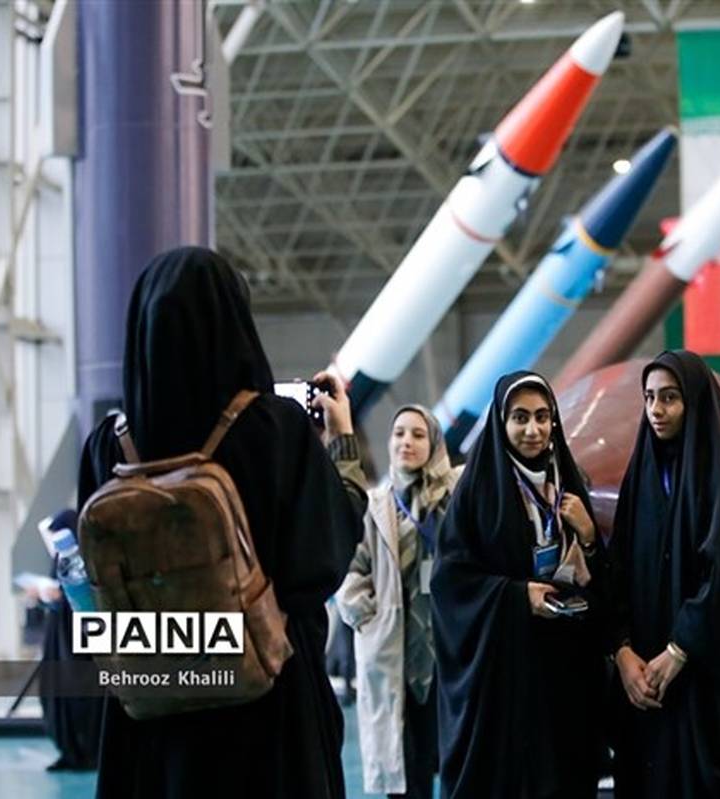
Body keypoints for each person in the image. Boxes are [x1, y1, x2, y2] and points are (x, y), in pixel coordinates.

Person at [77, 246, 367, 799]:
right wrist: (341, 444)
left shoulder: (107, 446)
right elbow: (325, 556)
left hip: (151, 704)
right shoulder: (275, 429)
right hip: (264, 702)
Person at [431, 371, 605, 798]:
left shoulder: (570, 482)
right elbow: (450, 584)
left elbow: (605, 577)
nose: (533, 430)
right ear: (501, 422)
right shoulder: (477, 492)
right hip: (503, 678)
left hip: (562, 673)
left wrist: (587, 536)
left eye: (543, 417)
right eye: (520, 418)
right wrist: (516, 596)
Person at [608, 350, 720, 799]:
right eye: (649, 398)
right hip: (647, 688)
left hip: (707, 687)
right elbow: (618, 570)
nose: (656, 410)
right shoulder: (643, 474)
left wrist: (680, 649)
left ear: (694, 401)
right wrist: (623, 653)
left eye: (669, 398)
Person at [337, 404, 462, 798]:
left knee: (459, 764)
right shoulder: (374, 505)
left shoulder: (455, 500)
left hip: (448, 656)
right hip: (396, 655)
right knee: (406, 772)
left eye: (418, 435)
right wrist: (366, 614)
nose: (406, 442)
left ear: (435, 444)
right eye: (399, 433)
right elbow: (350, 567)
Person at [36, 509, 102, 771]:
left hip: (78, 641)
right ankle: (70, 751)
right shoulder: (61, 560)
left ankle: (88, 752)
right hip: (60, 639)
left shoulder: (83, 558)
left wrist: (60, 597)